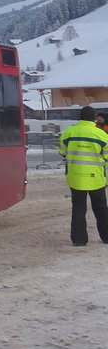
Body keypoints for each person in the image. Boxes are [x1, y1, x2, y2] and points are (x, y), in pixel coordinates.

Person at [59, 105, 108, 246]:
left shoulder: (69, 132)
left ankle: (79, 240)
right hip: (96, 178)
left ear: (80, 117)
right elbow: (106, 156)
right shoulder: (101, 134)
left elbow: (62, 151)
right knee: (101, 208)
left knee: (78, 208)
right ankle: (106, 237)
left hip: (75, 177)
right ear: (94, 119)